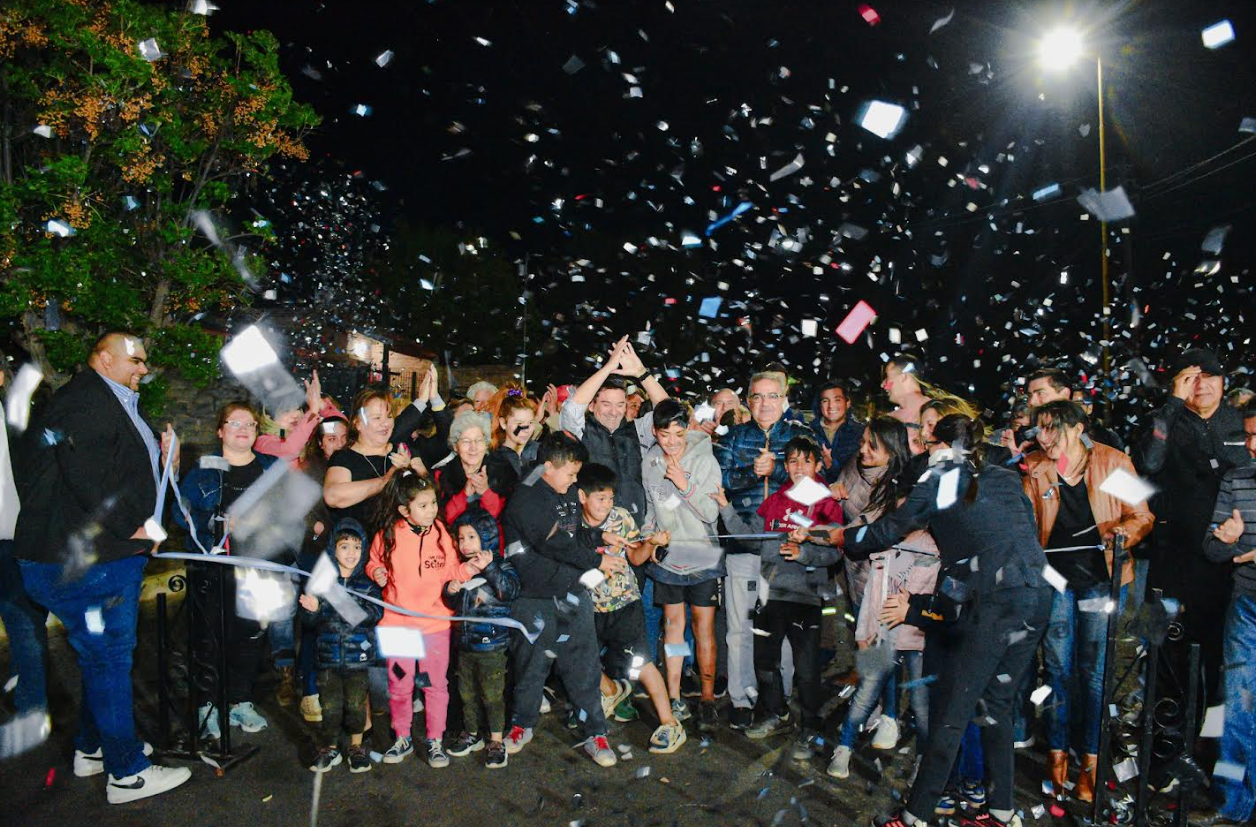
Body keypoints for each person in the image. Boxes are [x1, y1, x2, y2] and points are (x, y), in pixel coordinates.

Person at [833, 415, 1052, 827]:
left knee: (952, 710)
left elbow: (890, 529)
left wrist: (844, 538)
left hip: (992, 599)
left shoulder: (936, 478)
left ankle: (915, 816)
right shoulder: (1002, 475)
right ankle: (1002, 811)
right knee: (997, 706)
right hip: (1035, 593)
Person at [14, 331, 191, 804]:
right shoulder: (87, 401)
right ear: (104, 357)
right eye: (135, 361)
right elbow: (86, 475)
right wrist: (130, 528)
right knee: (109, 659)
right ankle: (126, 773)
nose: (143, 369)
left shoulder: (111, 400)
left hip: (98, 557)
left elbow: (115, 469)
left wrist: (162, 451)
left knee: (103, 659)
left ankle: (94, 748)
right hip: (89, 561)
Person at [1021, 400, 1153, 802]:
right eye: (1038, 430)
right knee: (1058, 668)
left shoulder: (1113, 462)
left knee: (1094, 672)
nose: (1043, 438)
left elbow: (1142, 515)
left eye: (1051, 429)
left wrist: (1122, 536)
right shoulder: (1035, 467)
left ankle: (1092, 760)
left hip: (1102, 581)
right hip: (1057, 581)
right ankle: (1058, 753)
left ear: (1077, 428)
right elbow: (1026, 524)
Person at [1132, 347, 1248, 713]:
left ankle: (1209, 744)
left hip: (1227, 562)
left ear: (1223, 382)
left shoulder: (1241, 424)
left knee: (1221, 657)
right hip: (1168, 560)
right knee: (1158, 648)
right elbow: (1147, 462)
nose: (1201, 385)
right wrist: (1171, 406)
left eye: (1209, 377)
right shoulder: (1163, 420)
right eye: (1190, 377)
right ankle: (1159, 741)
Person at [499, 433, 625, 768]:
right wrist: (596, 562)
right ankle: (521, 724)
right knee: (530, 665)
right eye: (570, 473)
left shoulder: (563, 489)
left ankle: (595, 732)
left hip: (572, 594)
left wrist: (597, 535)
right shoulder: (525, 498)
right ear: (547, 467)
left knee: (583, 665)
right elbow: (553, 542)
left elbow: (572, 533)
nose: (574, 480)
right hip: (534, 597)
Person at [714, 436, 842, 758]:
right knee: (765, 661)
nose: (799, 468)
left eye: (806, 461)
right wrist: (724, 506)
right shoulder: (776, 500)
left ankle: (811, 728)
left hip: (806, 598)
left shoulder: (827, 503)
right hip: (771, 595)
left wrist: (804, 554)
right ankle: (776, 712)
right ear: (786, 467)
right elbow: (751, 538)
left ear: (817, 465)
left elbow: (835, 552)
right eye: (793, 462)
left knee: (807, 668)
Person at [368, 472, 488, 768]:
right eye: (423, 505)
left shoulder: (441, 533)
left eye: (433, 502)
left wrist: (469, 570)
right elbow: (373, 562)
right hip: (397, 623)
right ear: (404, 511)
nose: (432, 509)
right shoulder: (388, 535)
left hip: (434, 623)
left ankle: (435, 740)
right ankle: (402, 738)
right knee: (399, 685)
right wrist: (376, 573)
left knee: (435, 685)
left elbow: (451, 573)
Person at [175, 400, 279, 739]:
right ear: (220, 431)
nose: (243, 430)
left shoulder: (269, 466)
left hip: (258, 569)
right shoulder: (205, 469)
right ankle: (207, 707)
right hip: (214, 571)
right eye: (235, 423)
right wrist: (216, 523)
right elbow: (181, 513)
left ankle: (239, 701)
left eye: (249, 424)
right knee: (209, 639)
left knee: (250, 636)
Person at [828, 464, 939, 780]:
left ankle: (924, 765)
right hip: (882, 637)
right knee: (866, 690)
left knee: (921, 705)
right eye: (899, 510)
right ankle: (844, 747)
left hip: (917, 640)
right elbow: (872, 596)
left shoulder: (933, 549)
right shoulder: (885, 546)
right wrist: (864, 631)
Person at [716, 370, 809, 728]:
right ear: (748, 401)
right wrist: (753, 474)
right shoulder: (735, 436)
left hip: (785, 549)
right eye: (757, 397)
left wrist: (781, 473)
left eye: (772, 396)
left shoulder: (800, 437)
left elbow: (815, 486)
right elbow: (721, 483)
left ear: (784, 400)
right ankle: (741, 698)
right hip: (743, 545)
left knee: (779, 631)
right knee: (739, 627)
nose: (764, 404)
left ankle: (779, 697)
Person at [577, 463, 686, 753]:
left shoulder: (621, 518)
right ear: (582, 497)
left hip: (624, 603)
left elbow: (636, 558)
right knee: (580, 661)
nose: (607, 505)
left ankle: (670, 724)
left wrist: (650, 544)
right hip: (588, 607)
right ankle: (611, 692)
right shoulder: (572, 523)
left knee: (641, 664)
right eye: (601, 498)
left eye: (611, 498)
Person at [640, 400, 723, 733]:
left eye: (678, 433)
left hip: (701, 552)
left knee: (704, 627)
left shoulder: (705, 458)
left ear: (687, 428)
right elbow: (650, 508)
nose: (672, 441)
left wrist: (684, 484)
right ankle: (674, 694)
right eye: (664, 434)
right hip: (670, 556)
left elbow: (711, 513)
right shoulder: (650, 462)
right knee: (673, 626)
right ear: (655, 432)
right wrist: (650, 536)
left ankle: (706, 699)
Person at [1194, 404, 1256, 827]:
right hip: (1247, 607)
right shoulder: (1237, 480)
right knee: (1236, 706)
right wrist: (1226, 540)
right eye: (1249, 435)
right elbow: (1212, 550)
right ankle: (1231, 801)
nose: (1251, 446)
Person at [299, 518, 383, 773]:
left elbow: (372, 615)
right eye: (345, 546)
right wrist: (312, 610)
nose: (351, 553)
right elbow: (309, 621)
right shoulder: (322, 582)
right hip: (328, 659)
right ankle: (329, 748)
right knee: (331, 707)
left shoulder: (367, 585)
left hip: (358, 659)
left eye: (357, 547)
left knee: (357, 706)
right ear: (333, 549)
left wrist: (325, 606)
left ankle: (357, 747)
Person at [560, 335, 669, 522]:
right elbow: (571, 408)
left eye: (619, 404)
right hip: (594, 529)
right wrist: (609, 367)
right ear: (592, 405)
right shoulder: (579, 431)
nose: (613, 412)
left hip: (635, 526)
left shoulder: (638, 430)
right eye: (606, 404)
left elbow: (669, 412)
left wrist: (641, 372)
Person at [444, 506, 520, 769]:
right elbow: (452, 603)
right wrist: (451, 590)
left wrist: (489, 569)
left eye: (472, 537)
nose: (465, 544)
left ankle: (497, 739)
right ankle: (471, 732)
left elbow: (508, 591)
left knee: (492, 694)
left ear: (486, 537)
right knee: (466, 692)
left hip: (492, 646)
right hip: (465, 644)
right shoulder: (462, 568)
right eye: (461, 538)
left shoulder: (501, 565)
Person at [0, 358, 48, 721]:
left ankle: (31, 698)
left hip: (15, 537)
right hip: (16, 535)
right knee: (23, 621)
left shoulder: (23, 423)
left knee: (23, 620)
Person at [295, 414, 351, 723]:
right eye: (331, 438)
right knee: (315, 622)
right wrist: (314, 526)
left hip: (345, 557)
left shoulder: (351, 466)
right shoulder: (309, 472)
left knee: (344, 622)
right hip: (316, 556)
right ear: (320, 442)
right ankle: (310, 691)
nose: (339, 444)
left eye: (344, 438)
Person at [323, 386, 427, 530]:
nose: (385, 423)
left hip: (400, 544)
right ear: (357, 423)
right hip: (359, 546)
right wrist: (386, 480)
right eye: (377, 418)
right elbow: (333, 496)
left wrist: (410, 472)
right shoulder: (344, 458)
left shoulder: (404, 451)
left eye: (389, 416)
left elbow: (429, 490)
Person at [434, 410, 511, 528]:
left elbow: (500, 520)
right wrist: (464, 494)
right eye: (466, 441)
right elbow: (442, 520)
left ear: (485, 444)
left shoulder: (501, 471)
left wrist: (486, 492)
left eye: (478, 440)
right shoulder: (441, 475)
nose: (473, 447)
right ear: (455, 446)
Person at [255, 370, 340, 463]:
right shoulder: (263, 442)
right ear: (269, 416)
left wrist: (322, 406)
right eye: (286, 410)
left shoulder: (308, 436)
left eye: (298, 409)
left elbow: (340, 429)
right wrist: (313, 412)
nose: (295, 415)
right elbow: (289, 450)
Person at [810, 381, 864, 484]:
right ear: (820, 405)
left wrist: (831, 465)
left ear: (847, 403)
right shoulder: (809, 431)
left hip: (849, 495)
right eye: (825, 401)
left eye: (837, 400)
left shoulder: (860, 432)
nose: (831, 406)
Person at [487, 387, 541, 481]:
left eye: (530, 423)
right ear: (503, 423)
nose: (526, 429)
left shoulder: (539, 452)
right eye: (519, 424)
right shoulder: (494, 459)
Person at [881, 353, 932, 428]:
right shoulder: (888, 421)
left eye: (887, 377)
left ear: (903, 378)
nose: (882, 384)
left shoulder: (939, 411)